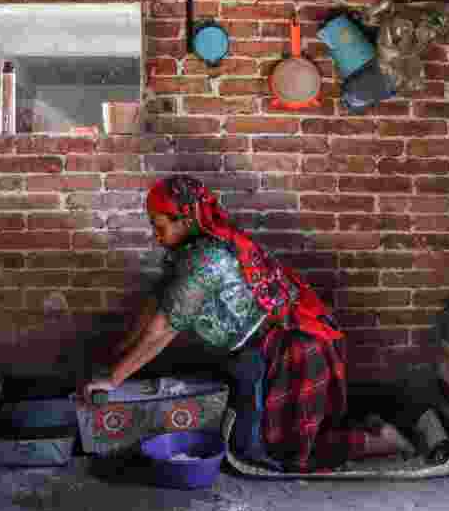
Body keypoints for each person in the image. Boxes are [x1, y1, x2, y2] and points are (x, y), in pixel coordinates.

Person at [80, 175, 414, 473]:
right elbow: (157, 302)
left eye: (160, 225)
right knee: (265, 437)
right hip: (262, 349)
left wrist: (113, 379)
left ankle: (381, 441)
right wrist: (119, 353)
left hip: (290, 347)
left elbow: (164, 328)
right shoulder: (189, 250)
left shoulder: (207, 260)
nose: (155, 235)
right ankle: (368, 427)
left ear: (184, 220)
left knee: (272, 452)